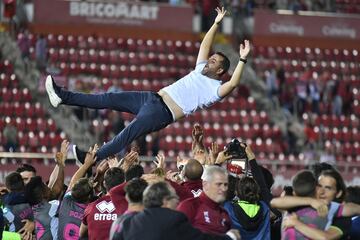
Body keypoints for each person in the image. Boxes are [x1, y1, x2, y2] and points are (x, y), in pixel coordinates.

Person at [45, 7, 251, 164]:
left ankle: (91, 159)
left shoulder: (214, 90)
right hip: (151, 98)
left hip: (162, 113)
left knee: (125, 135)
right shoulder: (200, 69)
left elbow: (233, 84)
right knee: (105, 98)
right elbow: (205, 45)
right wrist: (215, 24)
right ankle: (63, 97)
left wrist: (242, 60)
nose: (209, 61)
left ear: (220, 71)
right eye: (211, 59)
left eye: (214, 62)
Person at [114, 181, 240, 240]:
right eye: (175, 197)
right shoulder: (173, 219)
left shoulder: (127, 222)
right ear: (165, 200)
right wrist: (229, 237)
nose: (177, 201)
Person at [177, 165, 231, 235]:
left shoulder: (224, 213)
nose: (224, 189)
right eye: (219, 184)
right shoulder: (189, 206)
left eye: (226, 185)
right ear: (205, 184)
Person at [79, 167, 125, 240]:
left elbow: (81, 234)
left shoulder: (90, 207)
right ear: (123, 184)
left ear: (104, 184)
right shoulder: (127, 207)